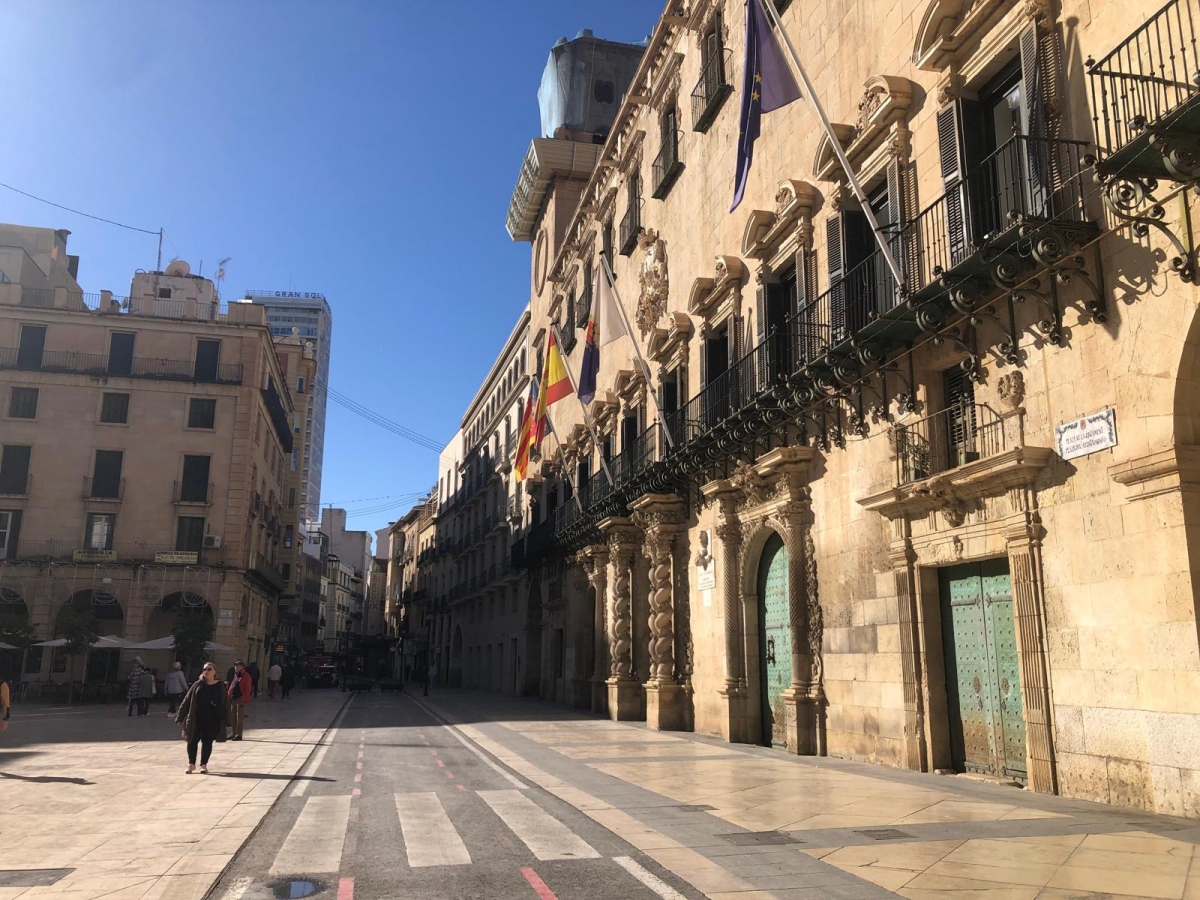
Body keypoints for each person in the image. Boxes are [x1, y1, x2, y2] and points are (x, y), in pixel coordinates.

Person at [176, 662, 229, 774]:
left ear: (214, 671)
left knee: (207, 742)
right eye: (204, 669)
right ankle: (191, 764)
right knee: (192, 741)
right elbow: (187, 700)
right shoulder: (197, 685)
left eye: (209, 669)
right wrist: (180, 716)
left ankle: (203, 764)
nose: (206, 671)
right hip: (196, 718)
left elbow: (226, 703)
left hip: (213, 719)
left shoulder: (221, 686)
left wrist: (228, 719)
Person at [227, 660, 252, 741]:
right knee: (233, 717)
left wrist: (243, 698)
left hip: (240, 698)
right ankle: (234, 733)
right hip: (233, 698)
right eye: (235, 666)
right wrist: (229, 694)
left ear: (242, 667)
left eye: (238, 666)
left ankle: (239, 734)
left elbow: (248, 688)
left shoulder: (245, 675)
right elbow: (232, 685)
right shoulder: (236, 675)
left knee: (239, 717)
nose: (236, 667)